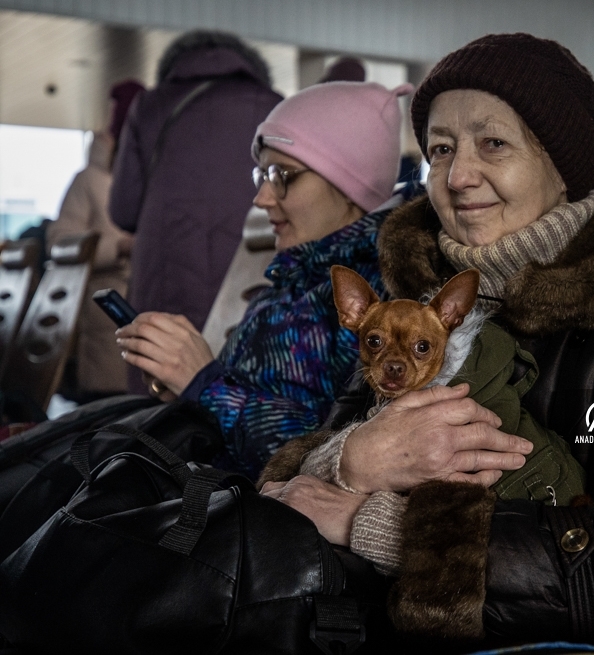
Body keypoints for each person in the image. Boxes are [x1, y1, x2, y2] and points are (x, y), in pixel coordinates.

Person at [262, 33, 594, 646]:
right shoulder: (414, 304)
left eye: (493, 144)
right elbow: (321, 457)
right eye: (440, 149)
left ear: (561, 169)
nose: (457, 176)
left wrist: (378, 526)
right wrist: (350, 459)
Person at [115, 81, 415, 479]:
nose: (261, 198)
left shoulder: (373, 300)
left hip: (239, 518)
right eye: (262, 174)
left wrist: (206, 385)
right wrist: (186, 386)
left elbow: (329, 455)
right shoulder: (297, 275)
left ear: (349, 186)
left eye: (282, 175)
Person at [108, 30, 283, 394]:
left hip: (164, 276)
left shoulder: (150, 105)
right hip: (253, 275)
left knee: (156, 397)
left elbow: (123, 210)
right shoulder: (274, 105)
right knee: (243, 397)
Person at [47, 79, 144, 401]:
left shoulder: (156, 176)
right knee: (106, 414)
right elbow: (59, 241)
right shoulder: (88, 180)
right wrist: (117, 247)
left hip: (151, 304)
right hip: (106, 314)